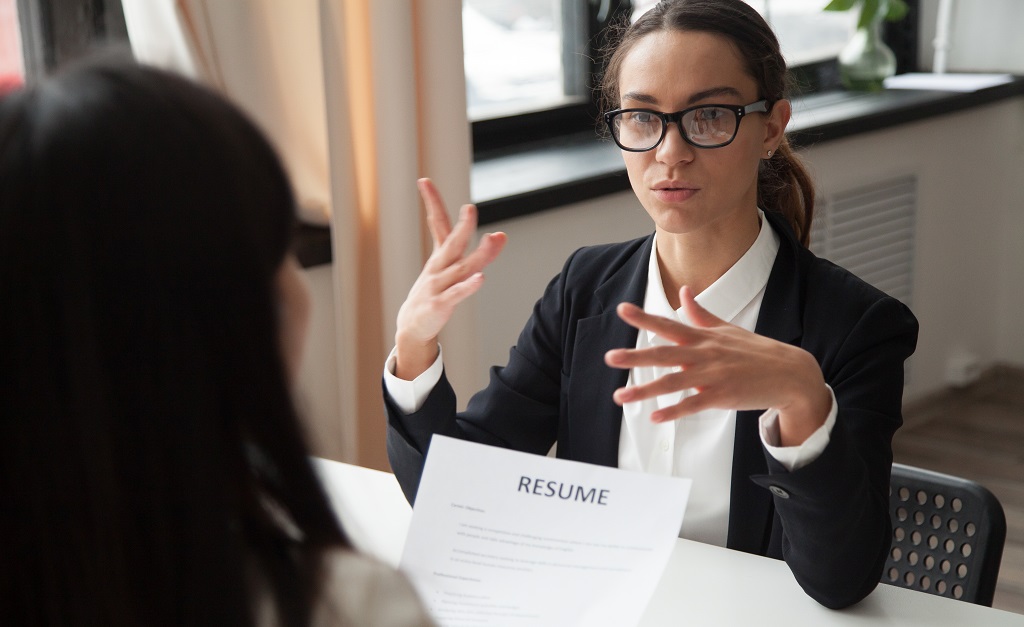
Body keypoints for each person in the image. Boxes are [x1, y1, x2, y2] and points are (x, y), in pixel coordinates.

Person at [383, 0, 919, 611]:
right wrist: (414, 345)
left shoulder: (856, 326)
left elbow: (841, 581)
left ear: (772, 128)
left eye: (710, 115)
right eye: (642, 118)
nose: (670, 152)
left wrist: (802, 397)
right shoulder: (585, 289)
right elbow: (456, 493)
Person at [0, 60, 434, 626]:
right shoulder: (345, 605)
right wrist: (415, 350)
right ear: (225, 318)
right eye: (280, 250)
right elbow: (459, 462)